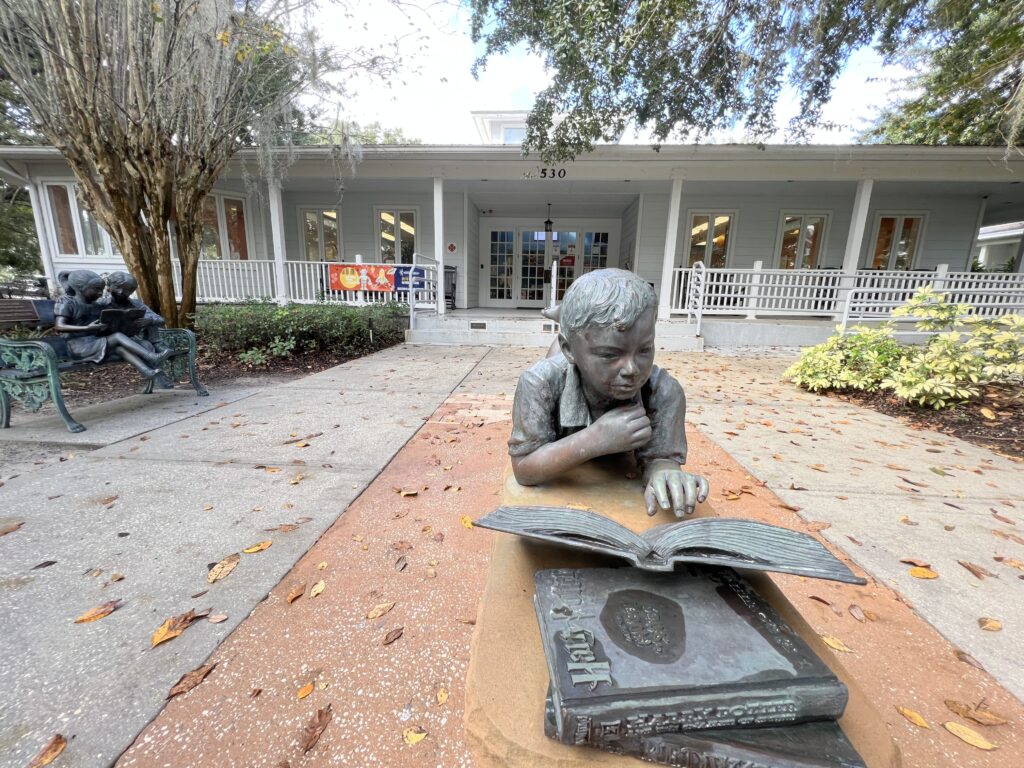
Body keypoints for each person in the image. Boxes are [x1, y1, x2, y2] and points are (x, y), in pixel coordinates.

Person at [508, 268, 709, 517]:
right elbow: (524, 469)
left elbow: (662, 458)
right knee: (556, 362)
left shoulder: (664, 390)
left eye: (645, 349)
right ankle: (565, 318)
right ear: (569, 349)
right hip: (565, 365)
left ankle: (571, 317)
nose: (632, 369)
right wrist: (594, 439)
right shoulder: (538, 382)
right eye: (609, 354)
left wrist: (665, 471)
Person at [53, 269, 170, 379]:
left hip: (93, 342)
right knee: (117, 336)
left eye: (101, 289)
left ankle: (146, 371)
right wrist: (88, 327)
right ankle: (150, 356)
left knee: (119, 348)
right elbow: (59, 327)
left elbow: (156, 318)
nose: (100, 293)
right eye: (97, 289)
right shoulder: (67, 303)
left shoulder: (96, 305)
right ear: (80, 287)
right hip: (78, 346)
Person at [101, 271, 169, 353]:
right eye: (117, 287)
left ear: (131, 291)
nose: (120, 292)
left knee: (147, 345)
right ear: (109, 286)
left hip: (132, 338)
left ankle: (157, 345)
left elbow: (161, 320)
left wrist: (150, 321)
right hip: (108, 340)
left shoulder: (136, 304)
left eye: (126, 290)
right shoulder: (100, 304)